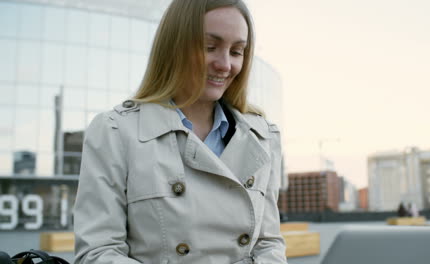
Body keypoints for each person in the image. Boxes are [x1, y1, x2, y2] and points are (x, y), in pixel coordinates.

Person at [73, 0, 287, 263]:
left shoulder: (262, 136)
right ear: (174, 47)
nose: (225, 64)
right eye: (210, 47)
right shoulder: (115, 132)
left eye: (237, 51)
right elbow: (98, 252)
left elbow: (269, 244)